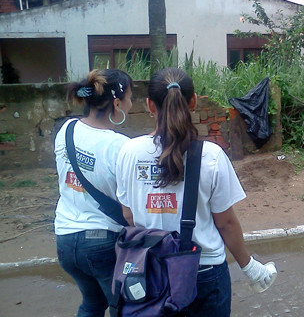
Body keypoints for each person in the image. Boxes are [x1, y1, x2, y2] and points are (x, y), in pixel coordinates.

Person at [115, 67, 276, 317]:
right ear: (193, 101)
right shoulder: (212, 156)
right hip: (205, 276)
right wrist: (250, 267)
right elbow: (226, 224)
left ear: (149, 105)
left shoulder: (128, 152)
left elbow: (128, 214)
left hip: (152, 271)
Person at [54, 69, 133, 317]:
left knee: (92, 304)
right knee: (127, 309)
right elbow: (129, 209)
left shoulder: (66, 129)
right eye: (131, 98)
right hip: (102, 246)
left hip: (65, 241)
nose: (132, 104)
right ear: (117, 103)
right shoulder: (119, 146)